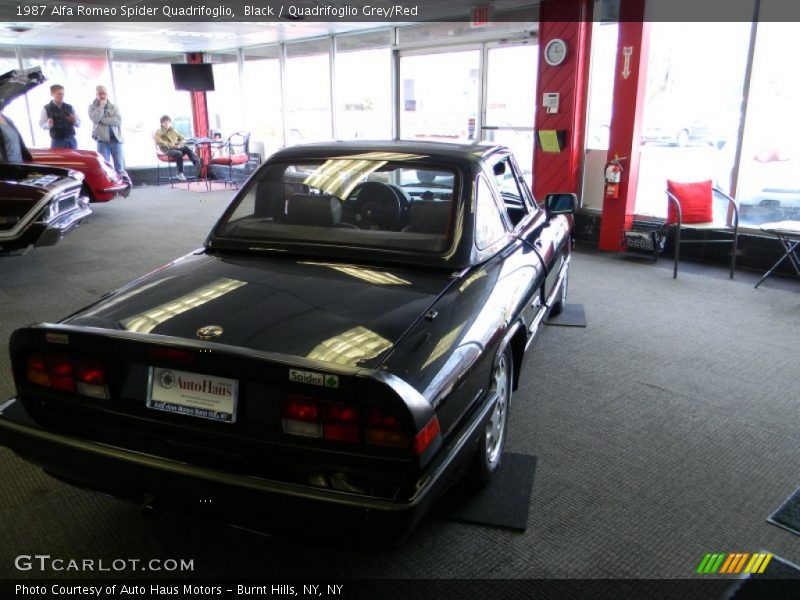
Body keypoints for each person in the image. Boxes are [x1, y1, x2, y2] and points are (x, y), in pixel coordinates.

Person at [88, 85, 125, 172]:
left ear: (107, 94)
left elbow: (118, 121)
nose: (102, 96)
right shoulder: (92, 107)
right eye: (99, 94)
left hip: (116, 140)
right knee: (105, 168)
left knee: (120, 167)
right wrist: (101, 107)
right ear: (96, 95)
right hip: (102, 141)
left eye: (103, 93)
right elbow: (95, 119)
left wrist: (103, 121)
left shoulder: (114, 107)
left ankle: (122, 183)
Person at [154, 115, 199, 181]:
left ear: (170, 122)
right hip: (167, 150)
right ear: (161, 123)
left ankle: (197, 164)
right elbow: (159, 142)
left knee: (187, 148)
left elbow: (182, 138)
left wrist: (179, 143)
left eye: (168, 122)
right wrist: (172, 145)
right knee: (179, 153)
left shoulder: (173, 130)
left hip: (176, 148)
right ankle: (180, 173)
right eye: (164, 123)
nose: (166, 124)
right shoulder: (158, 132)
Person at [39, 84, 80, 149]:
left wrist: (74, 121)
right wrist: (48, 125)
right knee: (59, 159)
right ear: (52, 94)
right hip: (57, 141)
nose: (61, 96)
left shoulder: (70, 107)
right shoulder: (46, 108)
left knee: (74, 159)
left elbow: (79, 124)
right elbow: (42, 124)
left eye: (63, 94)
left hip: (71, 140)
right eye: (59, 94)